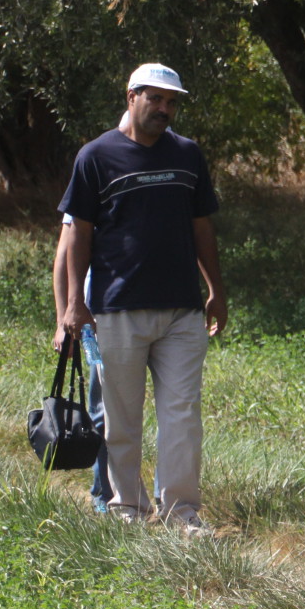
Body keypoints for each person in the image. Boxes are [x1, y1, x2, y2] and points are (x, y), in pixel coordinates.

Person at [60, 63, 227, 534]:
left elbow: (202, 228)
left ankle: (182, 515)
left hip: (182, 311)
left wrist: (215, 290)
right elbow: (77, 236)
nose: (166, 110)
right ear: (131, 95)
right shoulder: (95, 156)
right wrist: (74, 304)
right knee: (120, 420)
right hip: (116, 310)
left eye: (172, 102)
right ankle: (127, 511)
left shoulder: (188, 155)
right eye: (156, 99)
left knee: (182, 416)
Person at [52, 213, 114, 514]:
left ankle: (163, 500)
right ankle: (104, 494)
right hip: (97, 315)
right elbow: (64, 254)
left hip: (149, 308)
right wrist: (64, 318)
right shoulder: (92, 176)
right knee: (103, 409)